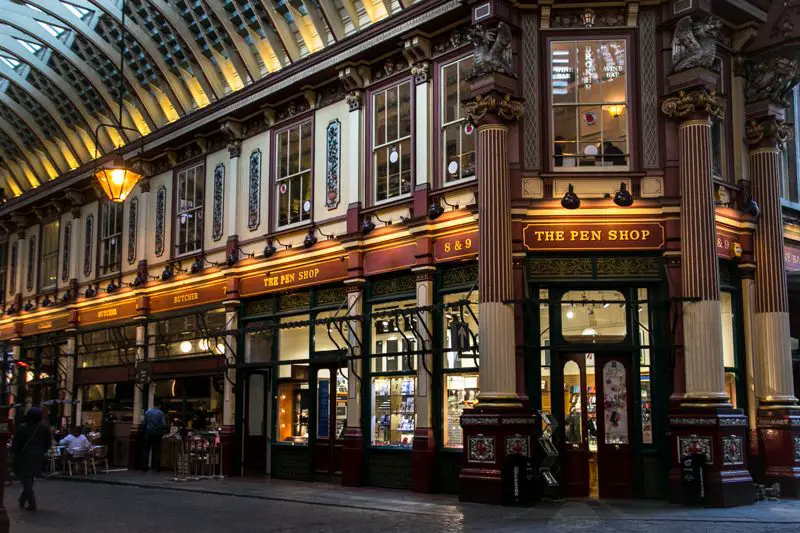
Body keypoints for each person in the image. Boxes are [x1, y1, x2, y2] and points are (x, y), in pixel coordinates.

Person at [12, 407, 52, 511]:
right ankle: (24, 498)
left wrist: (15, 453)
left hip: (24, 457)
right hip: (38, 457)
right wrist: (41, 451)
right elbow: (48, 443)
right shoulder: (44, 428)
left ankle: (30, 500)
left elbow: (16, 444)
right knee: (29, 478)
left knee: (27, 479)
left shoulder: (22, 428)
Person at [142, 403, 168, 472]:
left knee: (147, 450)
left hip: (148, 433)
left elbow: (144, 423)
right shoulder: (160, 413)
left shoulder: (147, 412)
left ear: (153, 404)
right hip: (157, 433)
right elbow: (163, 424)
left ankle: (145, 467)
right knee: (157, 450)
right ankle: (157, 467)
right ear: (159, 405)